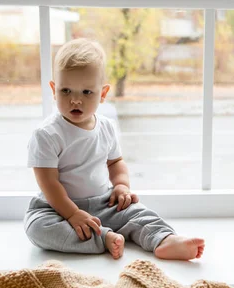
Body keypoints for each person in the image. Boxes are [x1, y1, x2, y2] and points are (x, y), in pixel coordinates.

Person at [24, 38, 205, 261]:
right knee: (38, 229)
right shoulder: (47, 134)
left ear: (103, 93)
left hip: (103, 202)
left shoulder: (106, 127)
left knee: (139, 212)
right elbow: (48, 183)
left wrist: (121, 186)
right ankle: (103, 237)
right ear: (54, 89)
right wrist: (72, 214)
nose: (76, 100)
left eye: (87, 92)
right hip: (56, 207)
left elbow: (115, 162)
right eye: (66, 90)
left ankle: (163, 239)